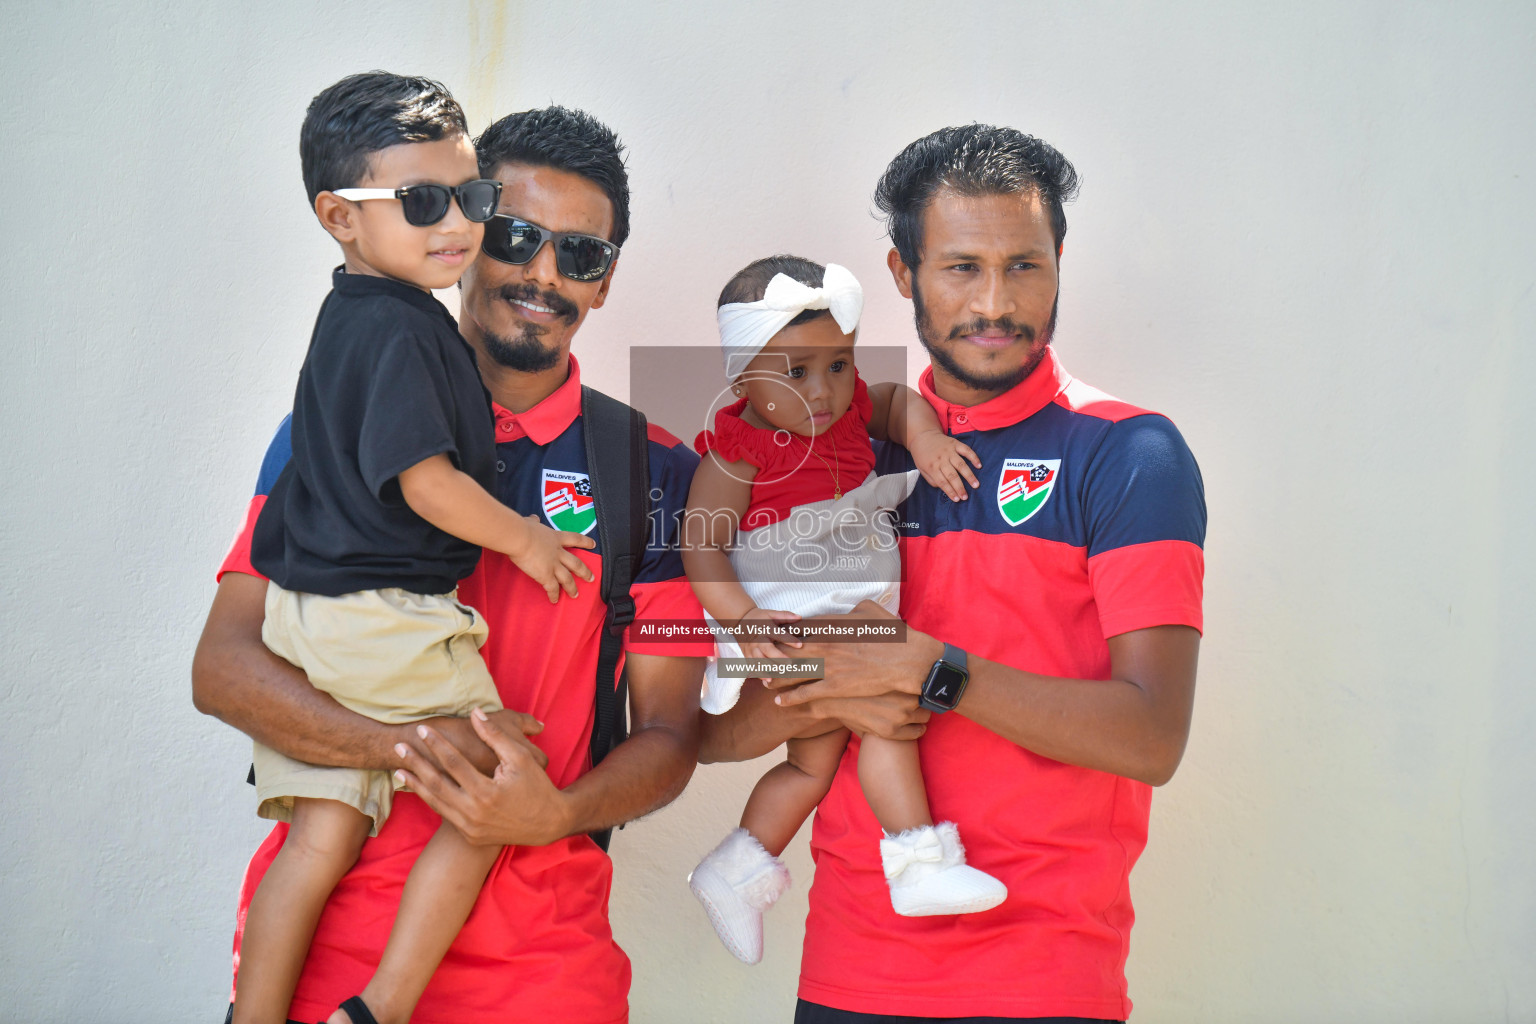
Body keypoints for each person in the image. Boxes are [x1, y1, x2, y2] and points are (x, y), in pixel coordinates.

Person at [192, 103, 712, 1024]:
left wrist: (550, 816)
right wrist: (411, 750)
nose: (543, 274)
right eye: (514, 235)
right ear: (465, 231)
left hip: (547, 975)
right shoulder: (331, 429)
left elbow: (670, 738)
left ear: (606, 281)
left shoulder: (656, 471)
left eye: (580, 256)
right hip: (326, 964)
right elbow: (224, 671)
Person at [699, 125, 1207, 1023]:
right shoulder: (833, 447)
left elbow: (1151, 739)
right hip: (850, 966)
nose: (996, 302)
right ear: (903, 275)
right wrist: (813, 671)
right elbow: (719, 735)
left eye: (1025, 266)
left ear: (1061, 261)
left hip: (1043, 973)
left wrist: (929, 672)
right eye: (961, 268)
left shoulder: (1132, 452)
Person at [231, 71, 599, 1024]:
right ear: (338, 217)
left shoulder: (354, 319)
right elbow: (427, 483)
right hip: (383, 616)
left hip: (313, 620)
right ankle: (382, 1007)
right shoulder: (402, 333)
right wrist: (523, 538)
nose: (458, 226)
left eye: (471, 201)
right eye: (425, 203)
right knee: (490, 783)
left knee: (321, 836)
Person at [683, 255, 1006, 967]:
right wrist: (740, 619)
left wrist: (923, 439)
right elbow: (701, 548)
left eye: (837, 364)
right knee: (885, 685)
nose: (824, 390)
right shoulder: (736, 454)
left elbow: (895, 401)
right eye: (795, 373)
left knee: (815, 761)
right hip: (790, 608)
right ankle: (919, 861)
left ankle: (739, 867)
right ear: (743, 379)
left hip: (843, 593)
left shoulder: (855, 405)